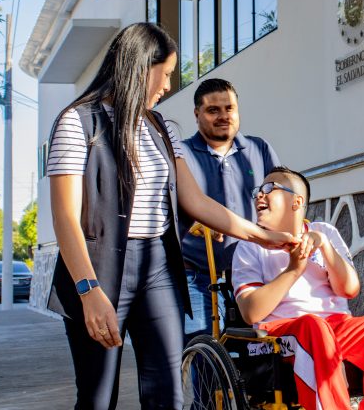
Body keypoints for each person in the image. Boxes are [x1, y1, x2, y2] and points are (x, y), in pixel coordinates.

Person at [46, 23, 294, 410]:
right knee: (98, 398)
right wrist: (88, 290)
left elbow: (196, 201)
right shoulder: (78, 122)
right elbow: (65, 217)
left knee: (168, 393)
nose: (167, 85)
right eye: (165, 74)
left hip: (158, 268)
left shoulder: (161, 127)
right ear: (141, 67)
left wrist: (263, 236)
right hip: (98, 272)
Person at [232, 166, 364, 410]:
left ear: (296, 201)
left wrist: (325, 247)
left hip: (337, 327)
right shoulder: (249, 247)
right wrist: (293, 270)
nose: (259, 195)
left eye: (269, 189)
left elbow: (350, 289)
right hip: (279, 336)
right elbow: (251, 312)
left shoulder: (325, 232)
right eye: (258, 190)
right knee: (314, 327)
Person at [180, 78, 279, 341]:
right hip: (197, 276)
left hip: (255, 272)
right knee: (202, 347)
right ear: (197, 114)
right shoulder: (181, 154)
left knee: (265, 349)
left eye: (229, 108)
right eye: (213, 110)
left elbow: (279, 199)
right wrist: (197, 224)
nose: (223, 116)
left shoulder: (259, 149)